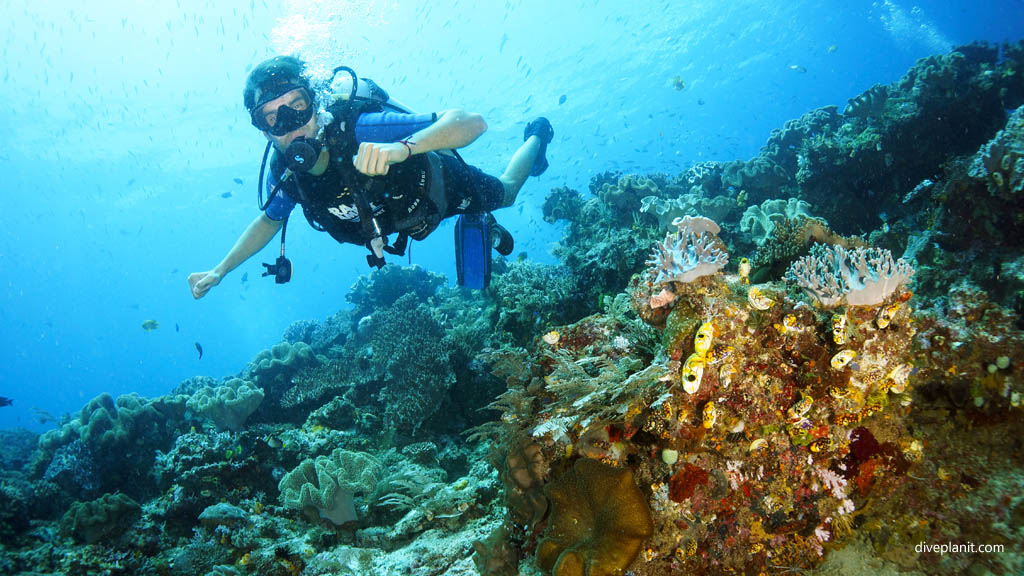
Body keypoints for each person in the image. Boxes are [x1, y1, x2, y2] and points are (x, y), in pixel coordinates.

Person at [188, 55, 553, 299]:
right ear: (264, 131)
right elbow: (269, 221)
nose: (290, 126)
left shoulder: (360, 129)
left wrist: (402, 149)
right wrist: (220, 270)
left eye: (297, 106)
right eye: (271, 118)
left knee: (507, 193)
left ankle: (538, 136)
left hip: (438, 189)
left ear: (315, 103)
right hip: (398, 220)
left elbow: (472, 122)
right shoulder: (286, 174)